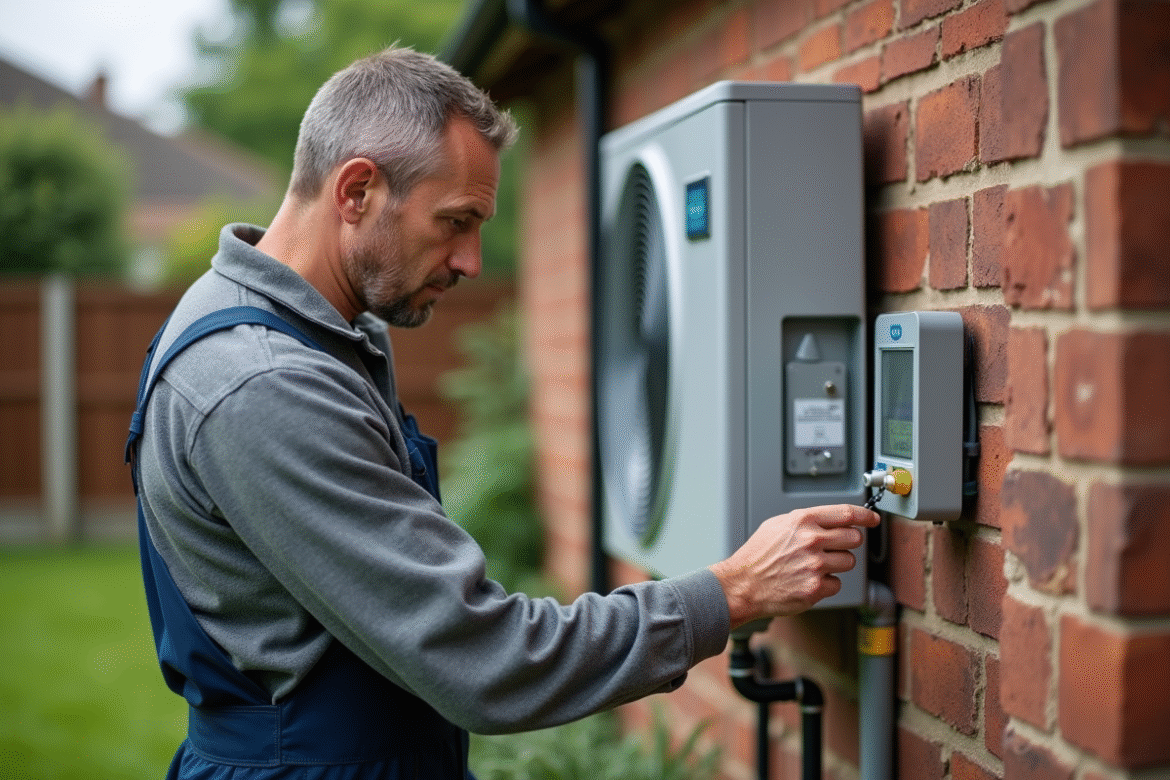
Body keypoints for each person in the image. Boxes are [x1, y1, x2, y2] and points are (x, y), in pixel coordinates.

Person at [128, 46, 879, 780]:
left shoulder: (297, 326)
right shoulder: (264, 384)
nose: (471, 262)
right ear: (356, 193)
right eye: (455, 222)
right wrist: (733, 591)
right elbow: (486, 660)